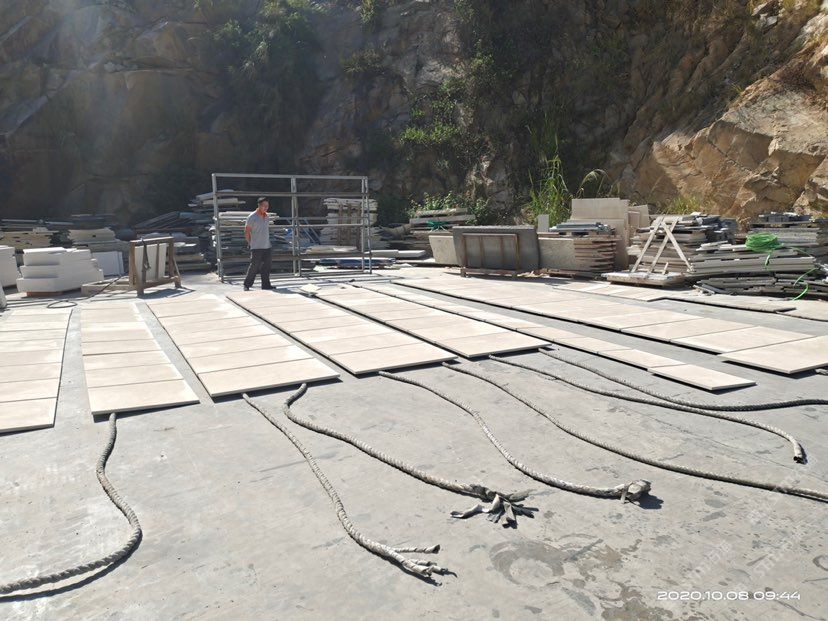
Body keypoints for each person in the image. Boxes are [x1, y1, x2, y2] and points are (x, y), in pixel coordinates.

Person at [243, 197, 273, 291]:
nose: (266, 207)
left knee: (266, 267)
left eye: (267, 206)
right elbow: (247, 231)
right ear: (259, 205)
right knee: (254, 267)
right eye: (264, 206)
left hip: (267, 245)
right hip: (256, 246)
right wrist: (250, 243)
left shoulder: (267, 216)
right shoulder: (252, 217)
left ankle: (266, 285)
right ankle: (247, 284)